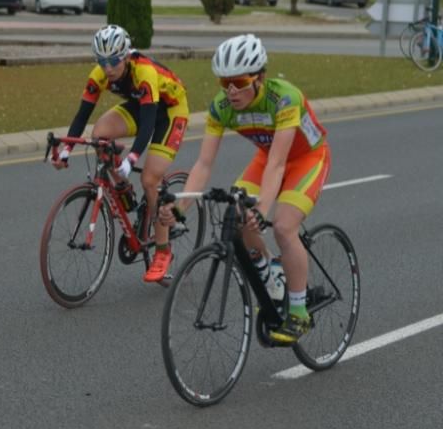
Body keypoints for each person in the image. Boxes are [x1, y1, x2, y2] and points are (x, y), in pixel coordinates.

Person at [159, 34, 331, 344]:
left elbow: (279, 165)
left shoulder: (284, 99)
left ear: (260, 78)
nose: (231, 91)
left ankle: (298, 313)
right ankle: (270, 274)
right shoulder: (221, 107)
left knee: (282, 226)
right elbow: (203, 164)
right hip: (267, 159)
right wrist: (180, 209)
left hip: (306, 159)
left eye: (238, 81)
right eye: (224, 83)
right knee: (236, 212)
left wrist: (262, 212)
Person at [53, 24, 190, 283]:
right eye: (102, 61)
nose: (108, 68)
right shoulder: (99, 74)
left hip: (170, 112)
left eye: (114, 61)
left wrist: (132, 158)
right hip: (141, 106)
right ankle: (123, 188)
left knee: (150, 179)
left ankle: (163, 250)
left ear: (126, 57)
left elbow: (149, 125)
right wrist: (66, 149)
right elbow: (83, 114)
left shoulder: (145, 71)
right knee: (100, 134)